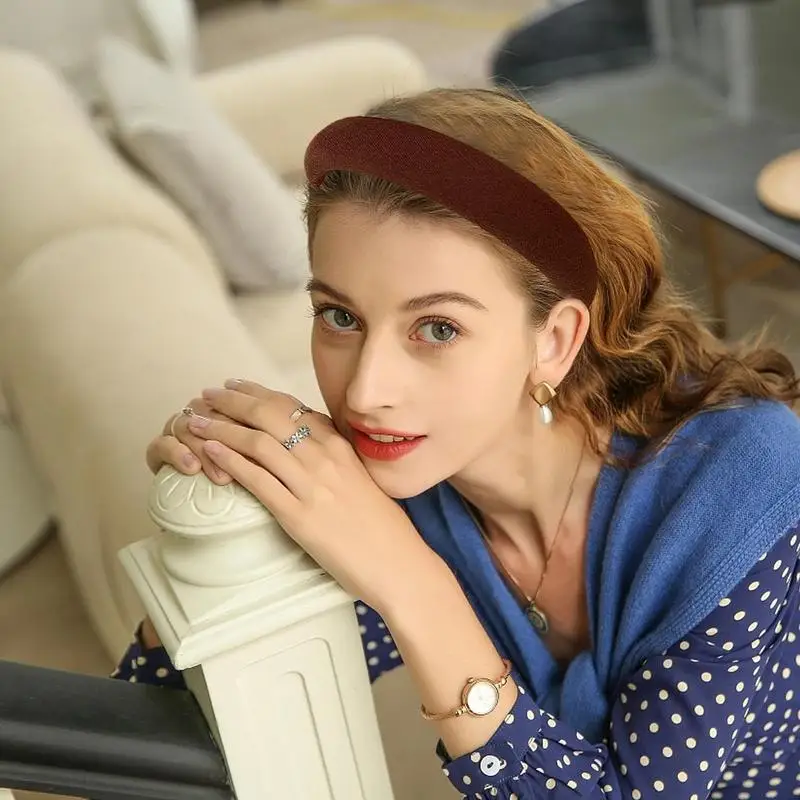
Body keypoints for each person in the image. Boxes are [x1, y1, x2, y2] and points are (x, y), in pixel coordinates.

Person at [113, 87, 800, 799]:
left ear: (554, 341)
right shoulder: (396, 480)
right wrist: (204, 539)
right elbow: (158, 748)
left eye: (437, 328)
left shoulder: (745, 490)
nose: (365, 391)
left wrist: (411, 583)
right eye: (340, 316)